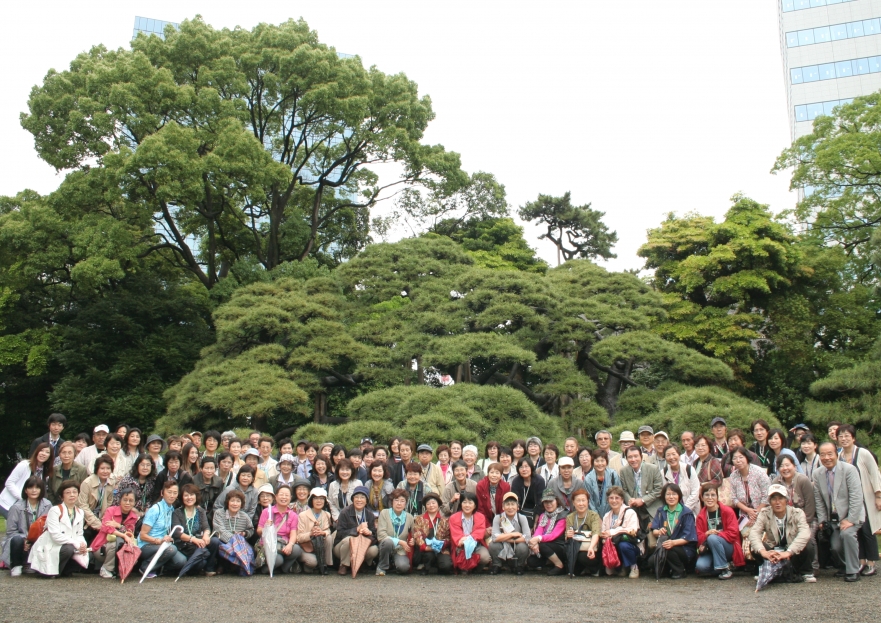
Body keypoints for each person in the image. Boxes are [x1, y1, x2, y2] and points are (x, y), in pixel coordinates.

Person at [813, 441, 864, 582]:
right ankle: (844, 566)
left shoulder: (849, 470)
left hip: (852, 515)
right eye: (822, 455)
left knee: (847, 534)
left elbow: (856, 496)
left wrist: (850, 519)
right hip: (833, 518)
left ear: (836, 454)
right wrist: (823, 520)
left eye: (830, 454)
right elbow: (819, 500)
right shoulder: (817, 474)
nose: (826, 458)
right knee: (835, 547)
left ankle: (853, 571)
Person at [835, 425, 881, 576]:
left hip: (867, 498)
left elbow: (875, 474)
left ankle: (871, 563)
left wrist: (878, 495)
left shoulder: (863, 453)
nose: (844, 438)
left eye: (847, 435)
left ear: (853, 438)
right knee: (856, 530)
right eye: (841, 436)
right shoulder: (839, 456)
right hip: (851, 501)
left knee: (868, 530)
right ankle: (860, 561)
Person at [749, 483, 816, 583]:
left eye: (781, 498)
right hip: (773, 552)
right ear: (769, 501)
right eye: (774, 499)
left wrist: (788, 552)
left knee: (809, 542)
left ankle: (806, 572)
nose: (777, 502)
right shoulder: (764, 513)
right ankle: (765, 570)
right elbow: (754, 533)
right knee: (754, 546)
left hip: (792, 552)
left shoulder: (798, 513)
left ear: (787, 500)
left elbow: (804, 533)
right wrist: (764, 552)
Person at [28, 480, 88, 577]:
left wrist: (82, 545)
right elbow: (55, 535)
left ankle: (63, 570)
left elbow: (79, 534)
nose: (72, 495)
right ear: (62, 496)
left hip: (68, 544)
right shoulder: (55, 510)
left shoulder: (80, 512)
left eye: (74, 492)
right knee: (69, 549)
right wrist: (75, 543)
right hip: (52, 544)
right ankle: (52, 572)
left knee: (84, 552)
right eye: (68, 492)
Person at [2, 476, 52, 577]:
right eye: (30, 488)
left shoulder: (47, 505)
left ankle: (37, 564)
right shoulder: (16, 507)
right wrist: (25, 539)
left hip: (39, 538)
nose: (34, 490)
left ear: (41, 490)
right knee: (16, 540)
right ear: (25, 490)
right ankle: (17, 565)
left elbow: (49, 526)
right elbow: (11, 532)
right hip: (21, 540)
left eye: (37, 488)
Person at [137, 480, 186, 578]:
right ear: (162, 493)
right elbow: (143, 535)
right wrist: (158, 541)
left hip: (162, 545)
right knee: (171, 549)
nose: (172, 495)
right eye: (169, 492)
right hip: (147, 545)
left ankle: (157, 567)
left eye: (175, 493)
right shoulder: (155, 509)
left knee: (181, 561)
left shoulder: (171, 509)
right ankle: (145, 567)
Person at [695, 483, 743, 579]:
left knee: (713, 538)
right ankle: (727, 566)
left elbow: (734, 533)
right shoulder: (700, 516)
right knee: (701, 566)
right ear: (702, 497)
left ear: (717, 497)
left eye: (713, 495)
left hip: (728, 546)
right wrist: (706, 534)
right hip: (710, 549)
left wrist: (717, 534)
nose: (710, 498)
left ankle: (723, 568)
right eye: (707, 495)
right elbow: (698, 537)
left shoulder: (727, 511)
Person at [649, 483, 698, 579]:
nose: (671, 497)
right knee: (651, 562)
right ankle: (669, 569)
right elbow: (654, 530)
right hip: (666, 544)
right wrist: (659, 531)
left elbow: (689, 537)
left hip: (684, 548)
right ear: (664, 496)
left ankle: (680, 571)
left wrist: (673, 543)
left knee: (669, 549)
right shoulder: (661, 511)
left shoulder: (686, 512)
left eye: (674, 494)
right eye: (668, 494)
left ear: (679, 496)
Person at [172, 483, 220, 577]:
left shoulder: (200, 511)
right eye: (186, 495)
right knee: (200, 563)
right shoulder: (177, 512)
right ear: (182, 497)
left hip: (198, 542)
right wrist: (193, 539)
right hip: (185, 545)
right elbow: (177, 533)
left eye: (191, 495)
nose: (189, 498)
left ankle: (209, 569)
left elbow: (206, 527)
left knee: (214, 541)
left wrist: (206, 535)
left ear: (196, 496)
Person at [91, 487, 139, 579]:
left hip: (120, 547)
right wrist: (123, 534)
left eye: (131, 500)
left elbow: (130, 533)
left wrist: (119, 526)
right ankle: (106, 569)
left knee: (129, 546)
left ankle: (120, 570)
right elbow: (106, 527)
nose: (127, 503)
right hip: (102, 548)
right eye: (125, 500)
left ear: (135, 503)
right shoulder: (111, 510)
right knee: (115, 542)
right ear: (120, 500)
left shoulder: (133, 517)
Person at [256, 485, 301, 574]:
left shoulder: (293, 515)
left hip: (283, 544)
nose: (284, 497)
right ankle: (266, 568)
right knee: (278, 560)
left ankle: (283, 569)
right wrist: (266, 527)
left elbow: (293, 533)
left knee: (296, 549)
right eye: (281, 494)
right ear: (276, 496)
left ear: (290, 497)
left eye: (286, 495)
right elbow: (259, 531)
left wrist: (290, 545)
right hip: (268, 543)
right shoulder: (267, 511)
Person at [1, 443, 54, 518]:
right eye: (41, 451)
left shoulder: (44, 471)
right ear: (37, 452)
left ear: (50, 456)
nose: (43, 454)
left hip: (26, 507)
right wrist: (22, 498)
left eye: (47, 452)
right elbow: (9, 483)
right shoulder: (24, 465)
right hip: (9, 504)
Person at [334, 485, 379, 575]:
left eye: (362, 497)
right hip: (342, 548)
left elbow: (374, 535)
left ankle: (362, 563)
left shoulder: (369, 514)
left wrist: (369, 532)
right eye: (356, 497)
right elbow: (340, 534)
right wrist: (356, 529)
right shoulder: (345, 512)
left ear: (366, 501)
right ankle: (344, 565)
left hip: (361, 546)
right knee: (350, 539)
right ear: (352, 499)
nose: (359, 500)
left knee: (374, 550)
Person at [600, 485, 642, 579]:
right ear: (608, 500)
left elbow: (632, 530)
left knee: (623, 545)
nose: (614, 500)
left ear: (622, 500)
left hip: (631, 544)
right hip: (613, 545)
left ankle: (633, 566)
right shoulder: (607, 516)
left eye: (617, 498)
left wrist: (611, 532)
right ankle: (621, 567)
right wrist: (606, 537)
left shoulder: (630, 512)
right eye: (611, 498)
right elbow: (603, 532)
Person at [619, 446, 664, 532]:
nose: (633, 459)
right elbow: (623, 490)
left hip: (651, 506)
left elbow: (659, 489)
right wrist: (630, 499)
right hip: (634, 508)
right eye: (630, 457)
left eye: (636, 456)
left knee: (652, 538)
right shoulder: (623, 471)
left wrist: (643, 500)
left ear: (641, 457)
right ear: (626, 459)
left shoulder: (653, 468)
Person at [730, 447, 770, 538]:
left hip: (762, 512)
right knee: (745, 542)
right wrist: (748, 511)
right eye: (735, 458)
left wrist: (755, 513)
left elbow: (767, 495)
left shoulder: (759, 472)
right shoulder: (733, 476)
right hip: (744, 515)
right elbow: (734, 498)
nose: (738, 460)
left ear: (747, 457)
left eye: (741, 457)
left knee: (760, 539)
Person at [525, 488, 567, 575]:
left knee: (543, 545)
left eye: (551, 501)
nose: (548, 504)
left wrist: (538, 539)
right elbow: (539, 530)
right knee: (531, 562)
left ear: (557, 501)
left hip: (560, 545)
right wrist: (535, 542)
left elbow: (554, 535)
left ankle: (559, 565)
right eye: (546, 502)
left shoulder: (563, 516)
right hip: (545, 545)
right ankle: (550, 562)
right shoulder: (543, 515)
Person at [213, 489, 255, 574]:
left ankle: (242, 567)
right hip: (224, 541)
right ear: (227, 502)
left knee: (249, 549)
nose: (235, 504)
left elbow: (250, 529)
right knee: (216, 543)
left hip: (239, 543)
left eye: (238, 501)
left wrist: (244, 533)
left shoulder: (244, 516)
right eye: (232, 501)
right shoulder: (219, 513)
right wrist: (234, 539)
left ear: (241, 504)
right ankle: (221, 565)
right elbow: (219, 530)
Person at [489, 491, 531, 575]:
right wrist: (512, 535)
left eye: (513, 504)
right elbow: (494, 537)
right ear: (503, 507)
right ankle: (497, 565)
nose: (510, 507)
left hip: (517, 545)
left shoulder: (522, 518)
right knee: (493, 545)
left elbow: (527, 537)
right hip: (502, 545)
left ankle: (519, 566)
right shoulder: (498, 518)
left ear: (517, 507)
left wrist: (505, 538)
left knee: (523, 547)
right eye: (507, 504)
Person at [449, 491, 491, 574]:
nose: (467, 505)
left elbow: (479, 532)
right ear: (461, 504)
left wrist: (468, 538)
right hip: (461, 545)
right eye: (464, 502)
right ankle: (464, 568)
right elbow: (456, 534)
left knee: (485, 557)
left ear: (475, 505)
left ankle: (476, 569)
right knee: (462, 559)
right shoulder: (454, 517)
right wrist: (463, 540)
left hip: (476, 544)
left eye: (470, 502)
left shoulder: (480, 516)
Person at [76, 454, 115, 542]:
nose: (105, 471)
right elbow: (83, 506)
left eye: (108, 468)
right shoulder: (87, 483)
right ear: (97, 469)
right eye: (102, 468)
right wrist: (97, 524)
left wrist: (104, 521)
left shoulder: (111, 482)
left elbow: (109, 503)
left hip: (101, 518)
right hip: (86, 519)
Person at [376, 489, 414, 576]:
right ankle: (382, 567)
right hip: (385, 546)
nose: (399, 503)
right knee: (388, 542)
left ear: (405, 503)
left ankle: (394, 564)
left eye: (402, 501)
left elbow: (413, 534)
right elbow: (381, 536)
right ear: (392, 502)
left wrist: (413, 540)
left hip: (400, 549)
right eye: (396, 500)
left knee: (404, 567)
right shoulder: (384, 513)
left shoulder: (409, 517)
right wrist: (400, 541)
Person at [412, 491, 452, 575]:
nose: (431, 506)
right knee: (428, 556)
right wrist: (425, 547)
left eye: (433, 503)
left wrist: (441, 545)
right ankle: (426, 566)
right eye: (428, 504)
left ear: (438, 505)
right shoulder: (419, 519)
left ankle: (437, 565)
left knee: (446, 566)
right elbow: (417, 535)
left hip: (441, 549)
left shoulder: (445, 520)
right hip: (426, 549)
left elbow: (448, 537)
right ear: (425, 506)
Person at [565, 488, 602, 577]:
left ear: (588, 502)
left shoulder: (593, 515)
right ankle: (582, 568)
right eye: (578, 501)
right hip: (575, 547)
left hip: (591, 547)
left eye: (583, 500)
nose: (581, 503)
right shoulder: (570, 517)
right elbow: (566, 536)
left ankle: (594, 569)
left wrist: (591, 547)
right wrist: (568, 535)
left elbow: (596, 533)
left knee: (582, 556)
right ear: (573, 503)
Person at [297, 488, 333, 574]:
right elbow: (299, 537)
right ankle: (307, 565)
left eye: (321, 499)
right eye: (316, 498)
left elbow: (328, 530)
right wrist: (311, 534)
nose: (319, 501)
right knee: (313, 563)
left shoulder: (326, 514)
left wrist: (323, 533)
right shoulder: (303, 515)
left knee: (329, 537)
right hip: (306, 547)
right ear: (311, 500)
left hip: (321, 546)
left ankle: (325, 565)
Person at [661, 445, 700, 513]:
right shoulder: (663, 472)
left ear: (679, 455)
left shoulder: (689, 469)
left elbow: (695, 491)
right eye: (668, 455)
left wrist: (684, 510)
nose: (671, 457)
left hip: (691, 510)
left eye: (673, 454)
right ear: (665, 458)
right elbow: (664, 494)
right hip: (672, 512)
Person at [475, 463, 511, 536]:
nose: (494, 475)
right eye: (491, 472)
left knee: (507, 534)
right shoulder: (481, 485)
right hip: (486, 517)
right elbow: (480, 508)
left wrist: (499, 525)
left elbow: (504, 508)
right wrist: (487, 526)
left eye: (497, 473)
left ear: (501, 475)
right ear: (487, 474)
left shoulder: (506, 486)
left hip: (501, 518)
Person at [584, 449, 621, 519]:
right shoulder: (588, 479)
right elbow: (589, 501)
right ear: (592, 462)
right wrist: (597, 518)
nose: (600, 463)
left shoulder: (613, 475)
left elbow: (619, 495)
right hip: (594, 516)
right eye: (597, 461)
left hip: (613, 513)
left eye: (602, 460)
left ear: (606, 462)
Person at [509, 458, 546, 526]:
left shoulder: (539, 480)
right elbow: (515, 501)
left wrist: (536, 521)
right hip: (520, 513)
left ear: (531, 467)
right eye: (521, 467)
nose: (524, 469)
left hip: (537, 513)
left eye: (526, 466)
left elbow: (540, 502)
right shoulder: (516, 481)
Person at [193, 456, 223, 524]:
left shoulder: (219, 481)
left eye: (212, 468)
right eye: (206, 468)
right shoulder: (194, 480)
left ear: (215, 469)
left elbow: (218, 502)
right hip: (196, 511)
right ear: (201, 468)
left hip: (212, 514)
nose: (209, 471)